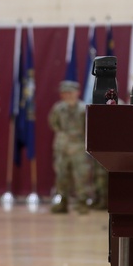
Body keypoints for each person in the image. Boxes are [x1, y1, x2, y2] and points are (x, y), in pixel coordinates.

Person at [48, 80, 90, 214]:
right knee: (61, 175)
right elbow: (53, 123)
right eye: (65, 93)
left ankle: (82, 202)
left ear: (77, 93)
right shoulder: (58, 108)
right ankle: (63, 202)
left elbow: (88, 127)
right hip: (62, 146)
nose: (68, 95)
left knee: (81, 176)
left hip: (78, 146)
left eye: (70, 92)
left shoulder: (84, 109)